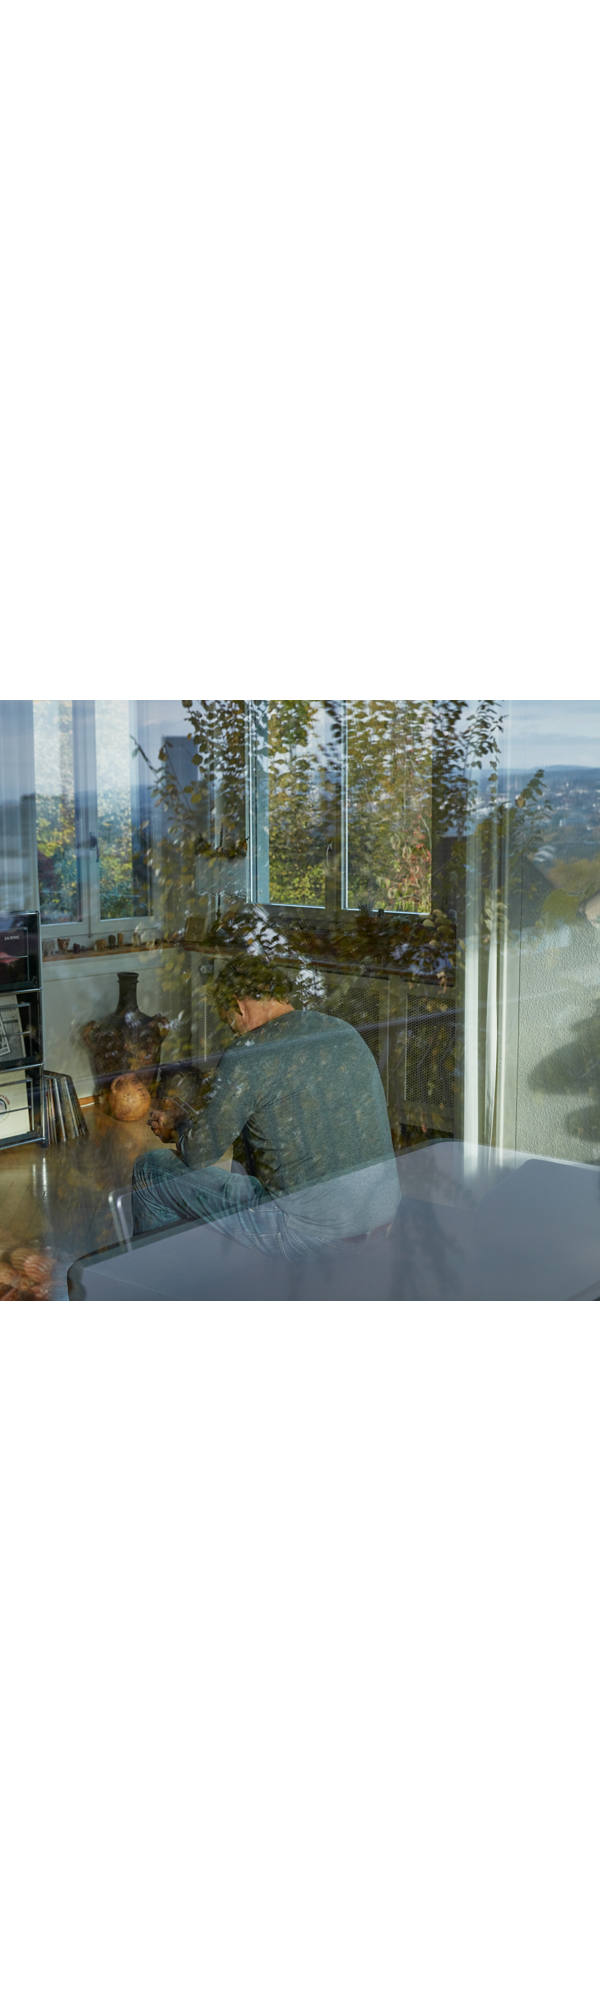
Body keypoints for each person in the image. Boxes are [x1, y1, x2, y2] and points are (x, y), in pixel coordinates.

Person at [131, 956, 401, 1257]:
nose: (235, 1033)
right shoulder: (341, 1030)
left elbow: (199, 1154)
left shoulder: (250, 1052)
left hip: (308, 1233)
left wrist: (179, 1125)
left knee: (151, 1171)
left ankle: (152, 1275)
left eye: (230, 1023)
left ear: (239, 1006)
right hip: (382, 1216)